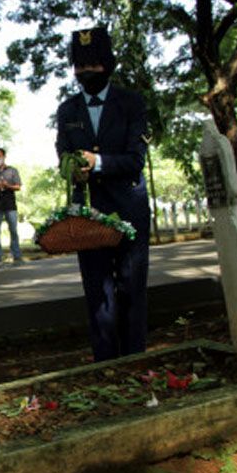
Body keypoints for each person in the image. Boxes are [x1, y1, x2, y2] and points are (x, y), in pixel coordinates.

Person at [55, 27, 150, 362]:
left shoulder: (132, 103)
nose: (85, 72)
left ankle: (135, 359)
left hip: (129, 209)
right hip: (89, 214)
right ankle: (104, 364)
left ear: (108, 65)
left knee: (131, 287)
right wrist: (73, 167)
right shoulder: (67, 110)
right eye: (80, 66)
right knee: (97, 292)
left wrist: (98, 163)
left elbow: (135, 160)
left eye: (93, 65)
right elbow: (62, 157)